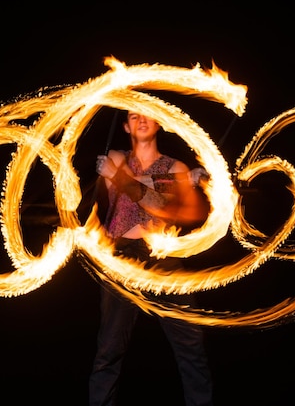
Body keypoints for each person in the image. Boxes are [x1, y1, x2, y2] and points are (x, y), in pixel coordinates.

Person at [89, 110, 214, 406]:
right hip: (121, 258)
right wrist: (181, 181)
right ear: (125, 126)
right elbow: (135, 186)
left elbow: (162, 207)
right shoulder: (117, 158)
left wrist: (125, 180)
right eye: (133, 116)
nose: (141, 120)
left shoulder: (175, 166)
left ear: (158, 122)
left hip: (162, 256)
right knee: (108, 349)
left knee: (191, 342)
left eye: (147, 115)